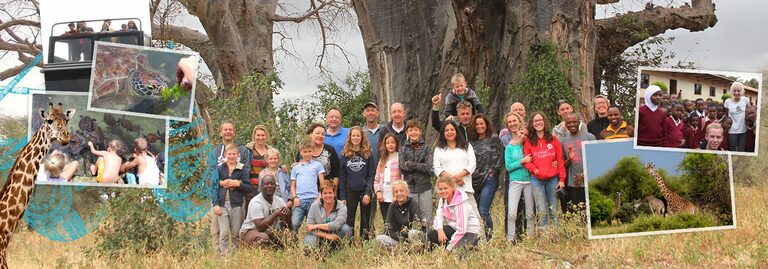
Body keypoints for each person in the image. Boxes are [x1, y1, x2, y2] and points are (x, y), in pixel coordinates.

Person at [209, 122, 251, 251]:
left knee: (237, 227)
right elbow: (210, 173)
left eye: (230, 129)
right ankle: (218, 256)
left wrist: (236, 183)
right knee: (218, 229)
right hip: (219, 196)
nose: (228, 132)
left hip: (237, 197)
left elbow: (246, 170)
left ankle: (236, 254)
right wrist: (221, 183)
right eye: (225, 129)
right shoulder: (215, 151)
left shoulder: (243, 150)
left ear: (234, 132)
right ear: (221, 132)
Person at [433, 120, 481, 234]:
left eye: (452, 129)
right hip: (447, 190)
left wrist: (460, 176)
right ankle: (455, 241)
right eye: (447, 130)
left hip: (465, 186)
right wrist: (453, 180)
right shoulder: (439, 149)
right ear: (443, 133)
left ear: (456, 131)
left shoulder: (466, 146)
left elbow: (472, 163)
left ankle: (479, 241)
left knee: (474, 214)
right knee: (451, 218)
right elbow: (437, 168)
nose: (450, 132)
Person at [523, 112, 566, 231]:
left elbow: (560, 160)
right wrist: (535, 170)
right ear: (532, 124)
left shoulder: (553, 139)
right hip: (537, 180)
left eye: (540, 120)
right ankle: (544, 236)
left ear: (544, 121)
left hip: (553, 179)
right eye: (535, 121)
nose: (538, 123)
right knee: (541, 210)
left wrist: (562, 180)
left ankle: (555, 235)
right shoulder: (529, 141)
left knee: (554, 209)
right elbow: (527, 161)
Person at [467, 114, 504, 240]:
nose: (479, 126)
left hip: (489, 180)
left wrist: (493, 172)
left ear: (486, 124)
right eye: (477, 124)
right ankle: (477, 238)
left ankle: (489, 238)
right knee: (475, 211)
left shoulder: (494, 138)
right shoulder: (471, 142)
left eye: (481, 123)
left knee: (483, 209)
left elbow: (501, 156)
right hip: (474, 180)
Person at [338, 127, 375, 240]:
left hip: (364, 191)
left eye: (358, 135)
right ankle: (350, 241)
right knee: (349, 219)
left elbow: (371, 175)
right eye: (353, 135)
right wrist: (342, 196)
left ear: (362, 137)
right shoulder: (345, 155)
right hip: (350, 191)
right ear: (350, 137)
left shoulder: (367, 154)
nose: (355, 138)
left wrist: (368, 192)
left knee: (365, 218)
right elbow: (342, 177)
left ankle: (365, 242)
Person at [428, 176, 481, 253]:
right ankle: (450, 245)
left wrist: (448, 249)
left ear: (452, 187)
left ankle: (472, 247)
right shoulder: (442, 200)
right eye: (440, 189)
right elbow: (438, 217)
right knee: (432, 234)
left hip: (469, 231)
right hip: (454, 229)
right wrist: (440, 230)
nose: (443, 191)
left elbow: (462, 230)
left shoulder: (460, 203)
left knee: (457, 253)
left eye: (446, 188)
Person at [503, 112, 534, 243]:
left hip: (529, 181)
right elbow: (509, 167)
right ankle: (511, 239)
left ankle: (531, 237)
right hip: (515, 181)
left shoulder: (529, 145)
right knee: (512, 213)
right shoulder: (510, 147)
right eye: (520, 134)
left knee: (530, 213)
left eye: (524, 134)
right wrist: (522, 161)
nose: (522, 136)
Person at [239, 175, 293, 248]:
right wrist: (276, 213)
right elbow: (260, 227)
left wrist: (288, 214)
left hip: (269, 232)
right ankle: (256, 256)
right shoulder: (256, 202)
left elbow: (288, 226)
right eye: (266, 184)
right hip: (249, 231)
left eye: (272, 184)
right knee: (263, 238)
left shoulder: (279, 201)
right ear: (261, 186)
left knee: (291, 235)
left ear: (275, 186)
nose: (269, 186)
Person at [399, 119, 434, 225]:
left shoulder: (427, 148)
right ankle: (414, 241)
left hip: (425, 188)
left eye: (416, 130)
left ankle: (427, 240)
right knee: (412, 219)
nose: (413, 132)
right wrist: (419, 166)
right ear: (407, 133)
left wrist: (411, 164)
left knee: (426, 219)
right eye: (410, 130)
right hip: (409, 188)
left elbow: (428, 168)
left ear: (420, 132)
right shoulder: (402, 149)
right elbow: (402, 168)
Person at [559, 113, 595, 213]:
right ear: (565, 124)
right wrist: (570, 159)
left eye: (574, 122)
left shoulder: (590, 137)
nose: (572, 124)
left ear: (579, 122)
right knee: (578, 212)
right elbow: (563, 165)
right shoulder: (563, 141)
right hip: (574, 183)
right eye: (569, 122)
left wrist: (584, 174)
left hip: (590, 181)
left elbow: (596, 160)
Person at [375, 180, 425, 249]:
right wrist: (400, 238)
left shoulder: (413, 202)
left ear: (406, 192)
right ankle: (403, 250)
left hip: (412, 238)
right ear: (393, 194)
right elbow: (387, 228)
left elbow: (417, 224)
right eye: (396, 192)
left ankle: (415, 250)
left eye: (401, 191)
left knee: (413, 232)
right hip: (399, 240)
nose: (399, 193)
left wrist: (407, 237)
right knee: (379, 239)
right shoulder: (392, 206)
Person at [290, 138, 326, 232]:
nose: (307, 153)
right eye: (305, 151)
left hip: (313, 199)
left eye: (309, 151)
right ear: (301, 152)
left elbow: (322, 184)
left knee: (313, 224)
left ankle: (312, 243)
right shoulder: (296, 168)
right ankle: (293, 243)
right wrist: (295, 198)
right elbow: (293, 185)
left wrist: (319, 197)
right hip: (300, 200)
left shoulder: (317, 165)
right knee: (294, 223)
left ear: (313, 151)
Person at [304, 181, 352, 249]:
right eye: (325, 193)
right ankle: (316, 255)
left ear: (334, 193)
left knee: (346, 228)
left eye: (330, 193)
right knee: (308, 240)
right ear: (321, 194)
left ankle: (343, 251)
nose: (328, 196)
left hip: (336, 236)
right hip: (319, 236)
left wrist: (315, 226)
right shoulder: (314, 206)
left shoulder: (342, 206)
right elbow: (309, 228)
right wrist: (327, 236)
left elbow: (336, 225)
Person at [296, 123, 340, 188]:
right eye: (317, 133)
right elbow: (297, 169)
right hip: (307, 190)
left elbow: (337, 173)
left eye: (323, 134)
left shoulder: (330, 150)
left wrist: (334, 191)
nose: (320, 136)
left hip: (327, 191)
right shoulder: (303, 150)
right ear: (311, 134)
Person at [374, 133, 404, 222]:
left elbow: (403, 179)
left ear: (396, 144)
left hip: (396, 196)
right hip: (383, 197)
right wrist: (378, 192)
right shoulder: (382, 159)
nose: (390, 145)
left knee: (397, 221)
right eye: (388, 143)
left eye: (392, 142)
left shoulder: (400, 157)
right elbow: (376, 179)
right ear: (385, 145)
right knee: (386, 221)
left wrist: (398, 194)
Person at [247, 125, 273, 204]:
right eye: (258, 135)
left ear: (266, 136)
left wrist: (283, 167)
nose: (260, 137)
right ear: (254, 136)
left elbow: (275, 165)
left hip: (267, 188)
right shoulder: (248, 151)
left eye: (263, 135)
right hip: (252, 188)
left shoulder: (271, 151)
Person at [724, 82, 750, 151]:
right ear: (731, 91)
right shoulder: (727, 101)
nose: (736, 93)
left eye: (738, 91)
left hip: (743, 129)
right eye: (734, 91)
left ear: (742, 91)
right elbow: (726, 116)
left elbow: (749, 112)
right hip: (732, 130)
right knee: (732, 149)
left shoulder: (745, 100)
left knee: (742, 149)